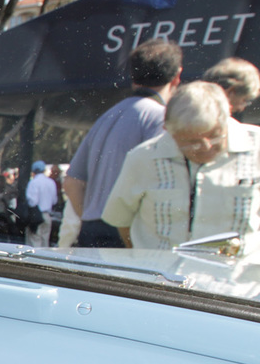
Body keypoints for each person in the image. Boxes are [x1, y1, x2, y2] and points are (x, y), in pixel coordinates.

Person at [101, 81, 260, 254]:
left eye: (214, 135)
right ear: (169, 131)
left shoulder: (256, 147)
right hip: (164, 276)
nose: (205, 147)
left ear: (227, 117)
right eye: (192, 142)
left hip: (238, 276)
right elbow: (121, 219)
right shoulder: (144, 157)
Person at [62, 38, 183, 249]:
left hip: (91, 229)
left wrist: (91, 220)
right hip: (128, 233)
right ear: (177, 76)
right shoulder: (160, 119)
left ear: (133, 76)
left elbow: (72, 182)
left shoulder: (106, 117)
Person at [23, 160, 56, 247]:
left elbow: (32, 202)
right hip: (47, 216)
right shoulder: (51, 182)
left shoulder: (33, 182)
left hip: (36, 217)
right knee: (45, 242)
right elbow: (54, 201)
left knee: (34, 242)